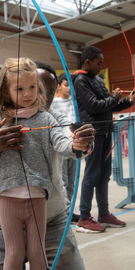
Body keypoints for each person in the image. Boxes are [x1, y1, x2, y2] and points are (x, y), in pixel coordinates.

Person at [0, 60, 94, 270]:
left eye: (36, 88)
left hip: (51, 215)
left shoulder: (52, 118)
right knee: (12, 254)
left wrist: (80, 143)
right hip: (4, 210)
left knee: (39, 254)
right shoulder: (2, 117)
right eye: (20, 88)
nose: (30, 95)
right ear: (7, 91)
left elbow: (67, 143)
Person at [73, 45, 135, 233]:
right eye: (98, 63)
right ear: (87, 62)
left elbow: (109, 107)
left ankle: (103, 214)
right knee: (92, 175)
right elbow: (93, 106)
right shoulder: (80, 80)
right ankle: (84, 218)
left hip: (105, 132)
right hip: (93, 133)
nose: (101, 66)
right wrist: (114, 97)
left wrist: (127, 101)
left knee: (104, 175)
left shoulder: (98, 80)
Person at [50, 73, 79, 222]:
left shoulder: (76, 102)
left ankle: (70, 211)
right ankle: (64, 212)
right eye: (66, 85)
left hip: (74, 145)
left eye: (71, 86)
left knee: (72, 181)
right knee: (63, 180)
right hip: (61, 146)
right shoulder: (53, 102)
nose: (69, 89)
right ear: (59, 86)